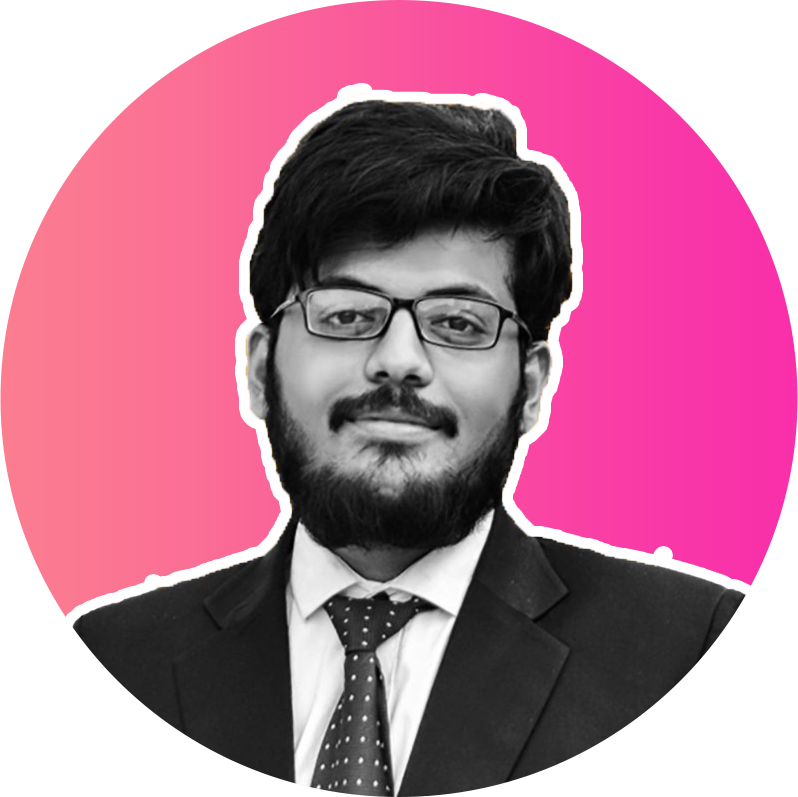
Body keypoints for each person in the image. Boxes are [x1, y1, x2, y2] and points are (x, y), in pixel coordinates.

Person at [53, 98, 795, 797]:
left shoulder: (681, 654)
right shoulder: (120, 663)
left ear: (532, 385)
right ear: (258, 368)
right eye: (347, 315)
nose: (399, 360)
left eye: (459, 323)